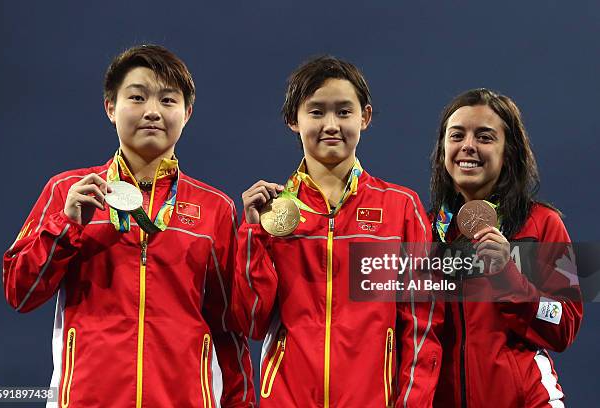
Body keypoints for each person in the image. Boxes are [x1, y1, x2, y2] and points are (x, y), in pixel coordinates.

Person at [3, 44, 254, 408]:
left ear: (187, 114)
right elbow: (19, 292)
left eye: (168, 101)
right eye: (137, 97)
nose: (152, 111)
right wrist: (66, 224)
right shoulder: (68, 191)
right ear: (110, 107)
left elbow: (229, 329)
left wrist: (241, 403)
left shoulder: (214, 209)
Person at [231, 56, 442, 407]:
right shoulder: (272, 214)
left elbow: (423, 326)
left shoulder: (401, 207)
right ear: (292, 121)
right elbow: (252, 321)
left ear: (365, 117)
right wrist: (253, 234)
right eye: (316, 112)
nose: (331, 124)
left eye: (344, 112)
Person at [428, 88, 583, 407]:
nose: (468, 146)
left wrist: (508, 278)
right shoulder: (423, 231)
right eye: (457, 135)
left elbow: (563, 324)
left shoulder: (543, 224)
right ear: (444, 147)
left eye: (484, 137)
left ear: (508, 151)